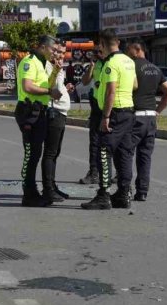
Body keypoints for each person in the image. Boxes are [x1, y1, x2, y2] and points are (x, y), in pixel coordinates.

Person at [82, 29, 137, 211]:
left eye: (100, 46)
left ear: (103, 45)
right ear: (118, 43)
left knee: (103, 152)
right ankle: (123, 193)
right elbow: (135, 84)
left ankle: (103, 195)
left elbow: (111, 91)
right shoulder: (129, 61)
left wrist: (105, 116)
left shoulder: (110, 64)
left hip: (115, 113)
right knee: (125, 154)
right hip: (129, 111)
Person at [14, 35, 63, 207]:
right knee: (31, 154)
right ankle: (28, 194)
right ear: (43, 47)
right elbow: (28, 86)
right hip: (28, 112)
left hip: (39, 111)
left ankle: (33, 192)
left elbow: (46, 84)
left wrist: (56, 72)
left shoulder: (43, 63)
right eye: (52, 49)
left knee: (36, 153)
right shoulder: (30, 61)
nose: (54, 53)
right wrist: (49, 92)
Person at [126, 41, 167, 202]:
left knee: (125, 154)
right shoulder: (155, 69)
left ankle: (125, 189)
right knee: (145, 156)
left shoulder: (131, 67)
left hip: (134, 117)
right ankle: (142, 191)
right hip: (150, 118)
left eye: (128, 50)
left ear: (138, 50)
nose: (127, 53)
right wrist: (157, 111)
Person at [41, 41, 73, 203]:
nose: (60, 55)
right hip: (53, 113)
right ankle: (47, 189)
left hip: (61, 112)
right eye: (58, 52)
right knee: (50, 153)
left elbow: (57, 89)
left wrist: (65, 89)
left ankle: (52, 186)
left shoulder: (58, 67)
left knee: (55, 153)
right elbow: (49, 87)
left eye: (63, 52)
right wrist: (56, 71)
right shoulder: (48, 66)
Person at [79, 47, 113, 185]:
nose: (97, 55)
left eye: (99, 52)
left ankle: (112, 173)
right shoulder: (97, 64)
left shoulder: (112, 63)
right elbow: (85, 81)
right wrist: (91, 67)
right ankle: (93, 172)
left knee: (112, 142)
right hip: (96, 107)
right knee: (94, 141)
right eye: (95, 53)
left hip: (111, 107)